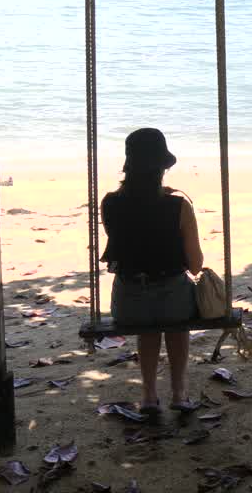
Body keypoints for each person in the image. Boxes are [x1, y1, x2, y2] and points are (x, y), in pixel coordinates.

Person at [101, 128, 204, 414]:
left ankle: (148, 395)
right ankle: (179, 392)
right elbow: (195, 265)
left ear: (128, 165)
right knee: (176, 324)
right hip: (173, 301)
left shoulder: (110, 203)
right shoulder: (178, 206)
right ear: (162, 167)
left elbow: (126, 244)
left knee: (148, 327)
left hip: (129, 303)